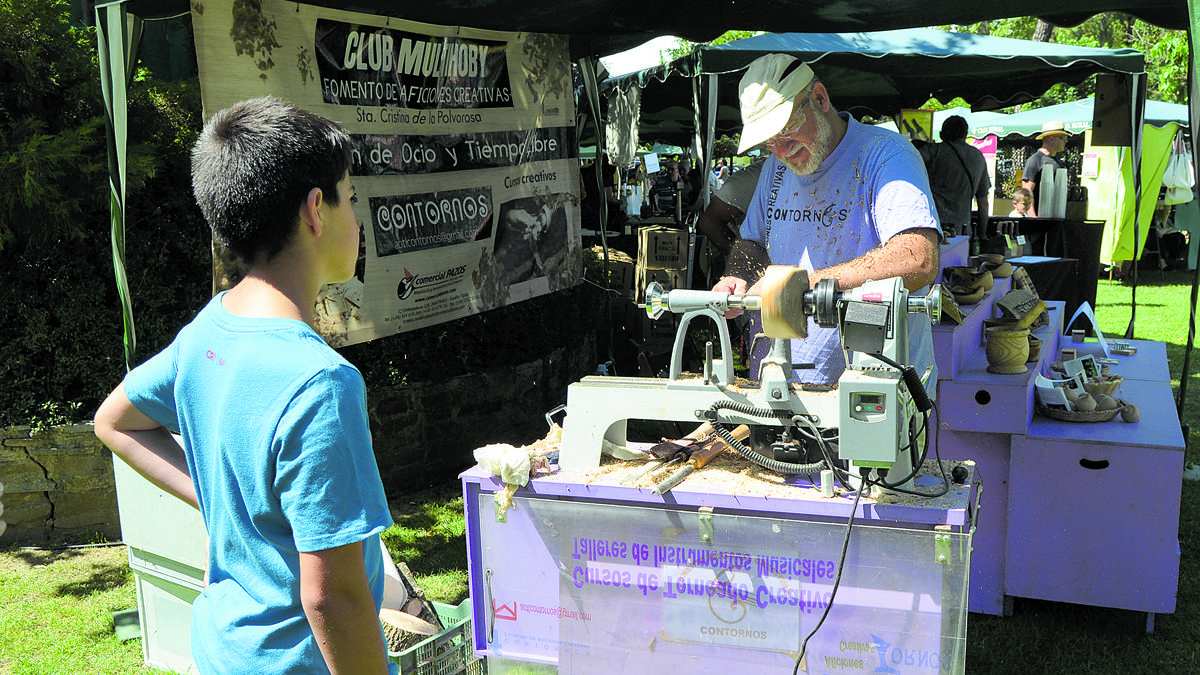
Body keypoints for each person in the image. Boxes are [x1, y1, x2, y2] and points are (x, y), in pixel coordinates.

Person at [94, 97, 396, 675]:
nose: (356, 219)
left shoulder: (206, 331)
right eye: (351, 199)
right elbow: (332, 596)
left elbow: (114, 421)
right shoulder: (321, 384)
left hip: (223, 648)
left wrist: (215, 496)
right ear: (316, 210)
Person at [713, 54, 940, 386]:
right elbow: (753, 241)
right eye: (768, 142)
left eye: (787, 130)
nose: (781, 148)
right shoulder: (777, 167)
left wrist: (807, 283)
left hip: (872, 383)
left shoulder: (886, 154)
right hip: (779, 377)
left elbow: (917, 258)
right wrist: (737, 279)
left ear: (819, 99)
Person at [919, 115, 990, 240]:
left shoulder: (934, 151)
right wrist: (983, 234)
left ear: (942, 134)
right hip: (963, 231)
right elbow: (983, 202)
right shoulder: (978, 157)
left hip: (933, 229)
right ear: (965, 134)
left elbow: (911, 160)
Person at [1021, 120, 1071, 218]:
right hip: (1039, 220)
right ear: (1051, 139)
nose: (1066, 141)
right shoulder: (1035, 160)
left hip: (1055, 219)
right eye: (1063, 137)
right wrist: (1033, 217)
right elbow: (1027, 191)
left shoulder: (1059, 162)